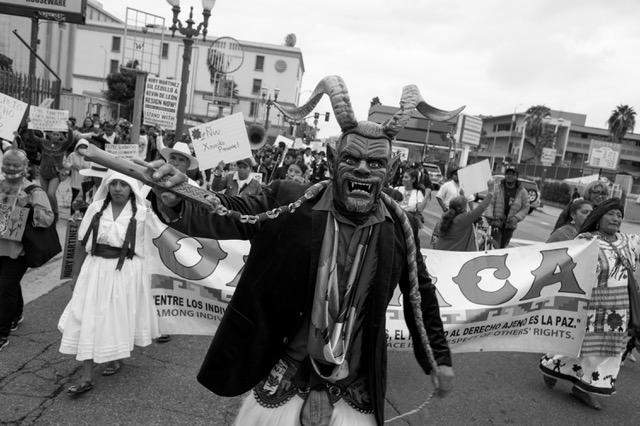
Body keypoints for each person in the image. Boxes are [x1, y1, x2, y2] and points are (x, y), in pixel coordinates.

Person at [149, 75, 458, 424]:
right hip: (288, 370)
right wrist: (181, 198)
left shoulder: (400, 228)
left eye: (375, 163)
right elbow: (231, 213)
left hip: (354, 381)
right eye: (351, 159)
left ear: (391, 170)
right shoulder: (290, 201)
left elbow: (421, 294)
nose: (362, 169)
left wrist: (438, 358)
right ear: (332, 159)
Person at [58, 171, 159, 395]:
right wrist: (75, 276)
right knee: (88, 317)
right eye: (114, 183)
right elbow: (81, 243)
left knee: (115, 317)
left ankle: (114, 355)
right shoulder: (95, 208)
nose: (118, 188)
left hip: (126, 273)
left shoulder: (143, 213)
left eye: (123, 184)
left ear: (131, 188)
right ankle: (86, 376)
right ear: (107, 185)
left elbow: (152, 249)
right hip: (94, 269)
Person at [539, 198, 640, 410]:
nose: (616, 218)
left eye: (619, 215)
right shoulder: (586, 240)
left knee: (609, 350)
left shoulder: (628, 241)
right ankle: (552, 365)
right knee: (581, 345)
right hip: (591, 305)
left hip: (619, 309)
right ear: (598, 217)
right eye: (611, 214)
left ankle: (583, 388)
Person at [0, 148, 55, 350]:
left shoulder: (34, 191)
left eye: (16, 165)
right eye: (7, 164)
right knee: (9, 285)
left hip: (18, 250)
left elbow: (48, 219)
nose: (10, 168)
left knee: (4, 288)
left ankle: (2, 332)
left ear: (25, 168)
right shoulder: (0, 185)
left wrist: (29, 208)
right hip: (1, 245)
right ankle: (16, 314)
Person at [435, 184, 493, 251]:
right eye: (465, 206)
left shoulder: (447, 216)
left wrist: (462, 195)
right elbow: (481, 208)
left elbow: (460, 205)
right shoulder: (462, 219)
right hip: (453, 254)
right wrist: (490, 192)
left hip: (441, 252)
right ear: (462, 209)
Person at [485, 168, 530, 248]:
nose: (510, 176)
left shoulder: (522, 192)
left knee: (502, 247)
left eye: (512, 174)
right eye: (508, 174)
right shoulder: (498, 188)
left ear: (516, 177)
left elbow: (525, 207)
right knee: (496, 245)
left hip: (510, 226)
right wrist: (489, 215)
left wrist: (516, 218)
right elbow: (490, 203)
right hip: (496, 223)